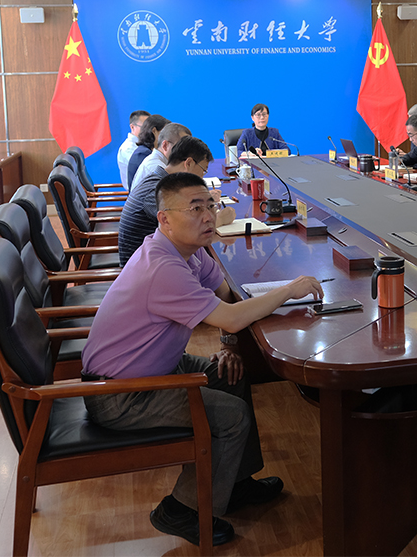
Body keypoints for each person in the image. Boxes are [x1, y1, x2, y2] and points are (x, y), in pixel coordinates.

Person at [82, 172, 322, 546]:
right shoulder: (162, 267)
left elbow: (226, 299)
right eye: (195, 208)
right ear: (164, 219)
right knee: (231, 416)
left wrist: (230, 346)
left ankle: (235, 483)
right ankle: (179, 508)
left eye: (210, 205)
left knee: (230, 374)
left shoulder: (189, 252)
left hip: (156, 368)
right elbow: (232, 317)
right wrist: (290, 290)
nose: (208, 216)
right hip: (120, 394)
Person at [118, 136, 235, 263]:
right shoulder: (157, 190)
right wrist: (220, 219)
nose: (201, 177)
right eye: (203, 170)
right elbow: (185, 232)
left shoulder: (163, 182)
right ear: (188, 163)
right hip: (144, 263)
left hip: (155, 255)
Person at [131, 122, 192, 191]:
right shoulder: (156, 168)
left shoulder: (160, 162)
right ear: (165, 145)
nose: (186, 152)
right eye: (182, 146)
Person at [126, 114, 169, 189]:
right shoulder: (143, 154)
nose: (167, 138)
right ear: (154, 131)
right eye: (165, 133)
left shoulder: (144, 150)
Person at [117, 110, 150, 188]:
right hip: (138, 191)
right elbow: (145, 170)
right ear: (132, 127)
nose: (148, 131)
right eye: (145, 127)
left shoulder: (146, 144)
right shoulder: (128, 148)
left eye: (150, 127)